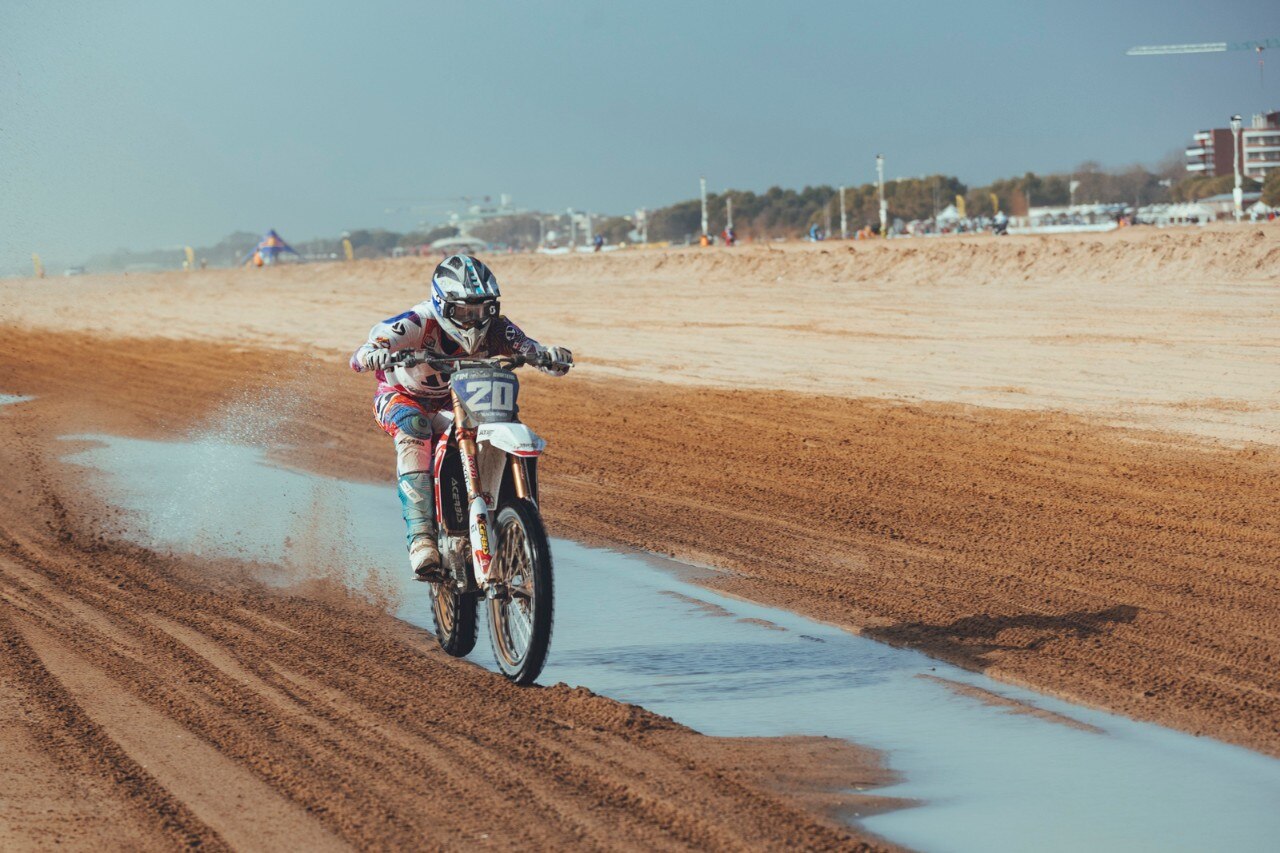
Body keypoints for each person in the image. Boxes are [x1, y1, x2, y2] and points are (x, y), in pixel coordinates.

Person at [349, 255, 573, 579]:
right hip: (403, 397)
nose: (474, 319)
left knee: (502, 420)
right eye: (465, 311)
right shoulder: (416, 322)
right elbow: (362, 353)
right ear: (443, 304)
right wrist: (375, 353)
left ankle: (509, 521)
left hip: (462, 399)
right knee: (415, 428)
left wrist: (547, 357)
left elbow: (528, 347)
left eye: (483, 310)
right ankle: (422, 539)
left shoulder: (498, 328)